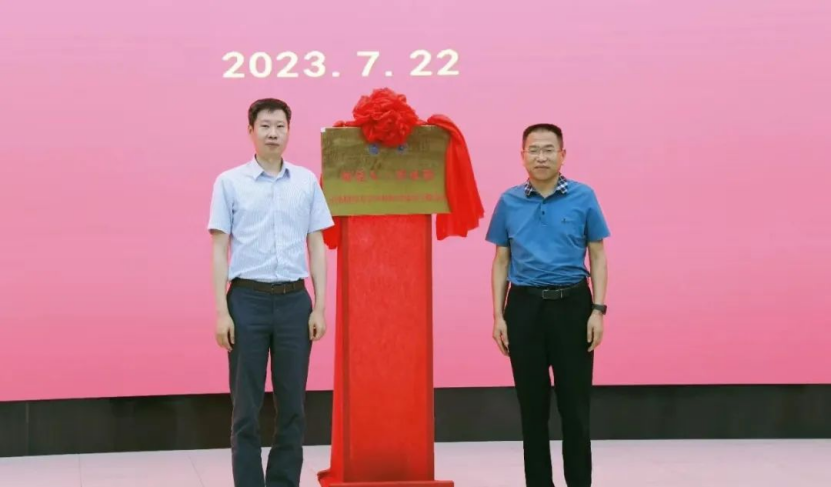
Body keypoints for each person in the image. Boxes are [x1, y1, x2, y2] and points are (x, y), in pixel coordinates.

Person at [208, 98, 334, 487]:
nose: (273, 133)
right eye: (265, 126)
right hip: (246, 301)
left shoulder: (306, 182)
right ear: (251, 131)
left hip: (295, 302)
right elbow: (219, 249)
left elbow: (317, 245)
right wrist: (221, 312)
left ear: (289, 131)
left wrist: (320, 307)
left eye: (280, 126)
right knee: (245, 407)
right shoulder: (229, 182)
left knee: (293, 405)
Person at [485, 123, 610, 487]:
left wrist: (598, 310)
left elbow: (598, 256)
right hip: (524, 309)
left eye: (548, 149)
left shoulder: (583, 197)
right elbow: (501, 261)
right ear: (523, 155)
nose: (541, 156)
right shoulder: (509, 201)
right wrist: (498, 316)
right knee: (532, 408)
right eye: (534, 150)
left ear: (562, 155)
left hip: (573, 306)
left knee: (575, 408)